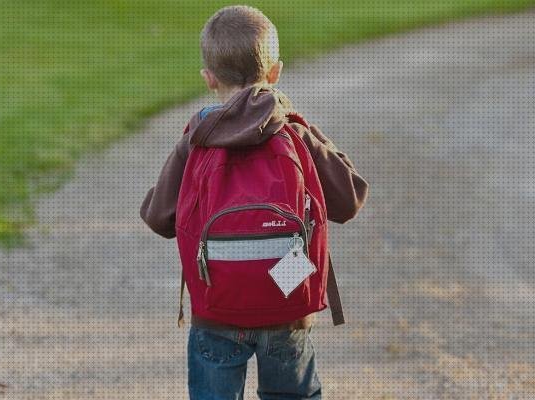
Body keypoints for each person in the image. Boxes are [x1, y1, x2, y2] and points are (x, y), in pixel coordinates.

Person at [140, 5, 369, 399]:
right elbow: (348, 199)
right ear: (275, 72)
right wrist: (307, 130)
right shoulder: (293, 132)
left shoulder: (196, 138)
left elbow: (159, 218)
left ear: (209, 79)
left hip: (217, 308)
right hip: (285, 301)